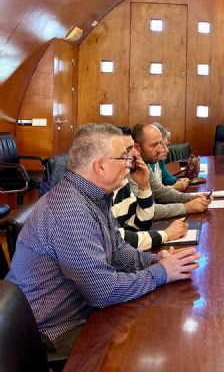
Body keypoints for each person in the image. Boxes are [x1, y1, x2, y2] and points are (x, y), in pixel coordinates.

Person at [7, 124, 200, 354]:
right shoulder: (70, 211)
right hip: (51, 331)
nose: (130, 163)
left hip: (82, 312)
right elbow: (103, 291)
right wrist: (162, 272)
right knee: (148, 343)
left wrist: (156, 261)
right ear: (100, 166)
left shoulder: (94, 196)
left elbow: (117, 250)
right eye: (124, 157)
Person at [113, 126, 187, 250]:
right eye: (128, 150)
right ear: (100, 165)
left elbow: (140, 225)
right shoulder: (90, 198)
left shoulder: (121, 184)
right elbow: (115, 241)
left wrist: (144, 186)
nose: (136, 153)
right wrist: (165, 235)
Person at [131, 123, 209, 219]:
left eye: (160, 144)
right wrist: (186, 207)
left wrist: (191, 197)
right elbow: (142, 211)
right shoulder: (131, 168)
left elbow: (160, 192)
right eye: (154, 145)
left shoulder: (143, 162)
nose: (160, 150)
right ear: (137, 147)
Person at [151, 123, 189, 191]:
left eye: (167, 145)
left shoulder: (159, 160)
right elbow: (154, 193)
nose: (167, 150)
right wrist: (174, 187)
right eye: (163, 145)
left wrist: (179, 181)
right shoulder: (148, 164)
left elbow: (166, 178)